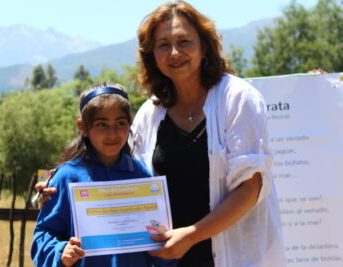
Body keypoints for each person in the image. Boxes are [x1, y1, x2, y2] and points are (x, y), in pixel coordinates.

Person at [37, 1, 285, 266]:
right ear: (152, 55)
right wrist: (51, 185)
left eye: (184, 41)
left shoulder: (237, 98)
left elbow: (251, 187)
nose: (174, 52)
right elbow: (110, 164)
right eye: (163, 45)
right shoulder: (150, 112)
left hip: (234, 255)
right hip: (167, 258)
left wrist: (190, 236)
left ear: (204, 46)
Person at [31, 82, 176, 267]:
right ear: (83, 127)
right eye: (101, 124)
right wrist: (61, 252)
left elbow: (159, 249)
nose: (112, 133)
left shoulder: (141, 175)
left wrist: (165, 247)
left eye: (120, 123)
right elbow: (43, 234)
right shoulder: (66, 177)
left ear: (130, 123)